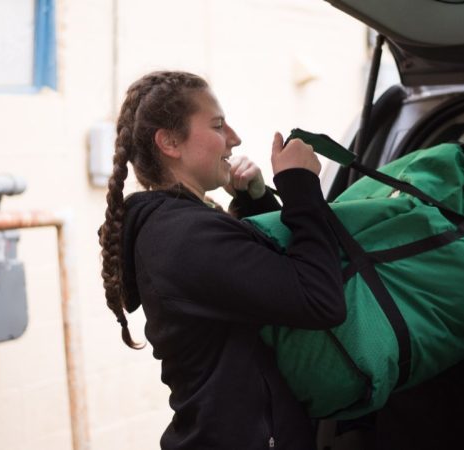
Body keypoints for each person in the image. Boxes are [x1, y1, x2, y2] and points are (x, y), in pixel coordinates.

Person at [98, 70, 346, 449]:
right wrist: (299, 185)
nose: (234, 138)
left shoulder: (180, 228)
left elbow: (255, 280)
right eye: (217, 125)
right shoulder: (186, 238)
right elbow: (320, 299)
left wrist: (255, 201)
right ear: (169, 142)